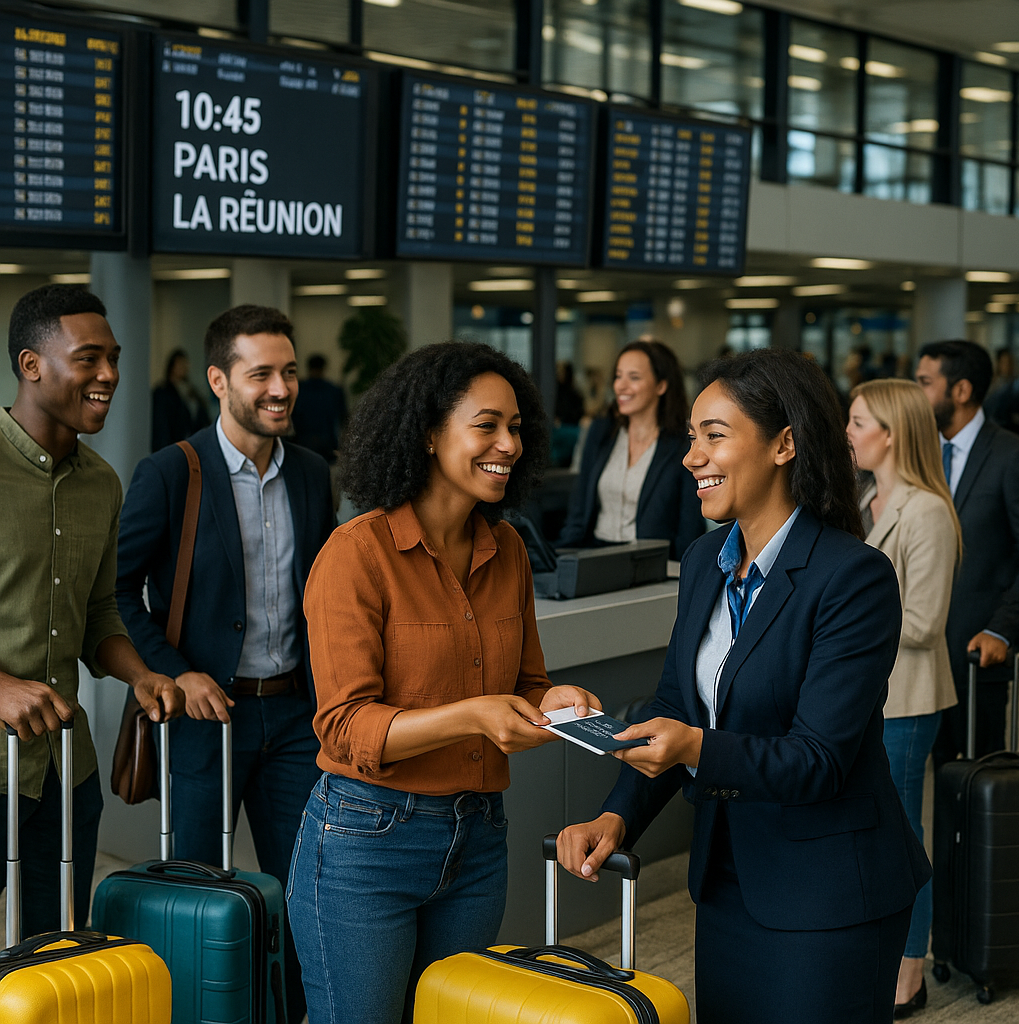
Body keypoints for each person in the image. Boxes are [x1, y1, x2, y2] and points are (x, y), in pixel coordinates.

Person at [556, 348, 931, 1024]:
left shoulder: (853, 578)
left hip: (828, 894)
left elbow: (818, 759)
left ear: (785, 443)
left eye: (714, 436)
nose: (692, 457)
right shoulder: (706, 560)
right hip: (729, 882)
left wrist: (694, 746)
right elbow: (677, 706)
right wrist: (616, 816)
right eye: (693, 437)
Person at [287, 342, 600, 1024]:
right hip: (366, 843)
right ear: (428, 434)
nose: (508, 444)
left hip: (478, 840)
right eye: (486, 425)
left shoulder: (508, 548)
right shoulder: (356, 553)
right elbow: (345, 728)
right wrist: (474, 715)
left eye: (516, 427)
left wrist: (558, 701)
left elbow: (529, 682)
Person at [116, 305, 335, 1024]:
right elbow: (115, 591)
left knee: (307, 883)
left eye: (290, 372)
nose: (281, 388)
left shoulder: (310, 473)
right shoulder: (171, 472)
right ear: (219, 380)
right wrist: (175, 671)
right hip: (208, 719)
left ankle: (289, 1011)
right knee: (202, 890)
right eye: (262, 374)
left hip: (297, 716)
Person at [0, 284, 183, 935]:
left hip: (62, 770)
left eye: (113, 358)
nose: (108, 375)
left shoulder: (102, 481)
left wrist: (142, 674)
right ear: (31, 365)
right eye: (88, 358)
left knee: (53, 948)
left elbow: (101, 611)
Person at [847, 378, 961, 1017]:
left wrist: (846, 623)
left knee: (904, 836)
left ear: (891, 432)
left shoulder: (926, 511)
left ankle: (909, 975)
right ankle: (888, 956)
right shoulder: (871, 498)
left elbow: (925, 620)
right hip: (874, 696)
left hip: (910, 698)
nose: (849, 432)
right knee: (877, 832)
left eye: (859, 421)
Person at [915, 340, 1019, 766]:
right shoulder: (922, 453)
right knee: (934, 774)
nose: (916, 393)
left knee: (981, 781)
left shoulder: (1011, 455)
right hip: (925, 655)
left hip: (978, 655)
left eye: (925, 382)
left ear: (960, 391)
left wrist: (1002, 630)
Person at [556, 340, 704, 559]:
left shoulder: (683, 443)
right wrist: (563, 557)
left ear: (661, 385)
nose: (620, 386)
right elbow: (579, 507)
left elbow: (690, 525)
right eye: (618, 376)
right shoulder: (601, 432)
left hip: (652, 563)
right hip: (595, 555)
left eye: (633, 378)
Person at [291, 353, 349, 464]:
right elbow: (344, 419)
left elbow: (292, 416)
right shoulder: (334, 391)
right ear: (324, 368)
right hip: (327, 442)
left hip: (303, 442)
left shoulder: (299, 390)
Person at [151, 347, 210, 451]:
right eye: (180, 364)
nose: (183, 367)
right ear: (172, 366)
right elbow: (161, 426)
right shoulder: (163, 392)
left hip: (192, 445)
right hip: (172, 446)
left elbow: (201, 417)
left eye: (185, 364)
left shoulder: (191, 391)